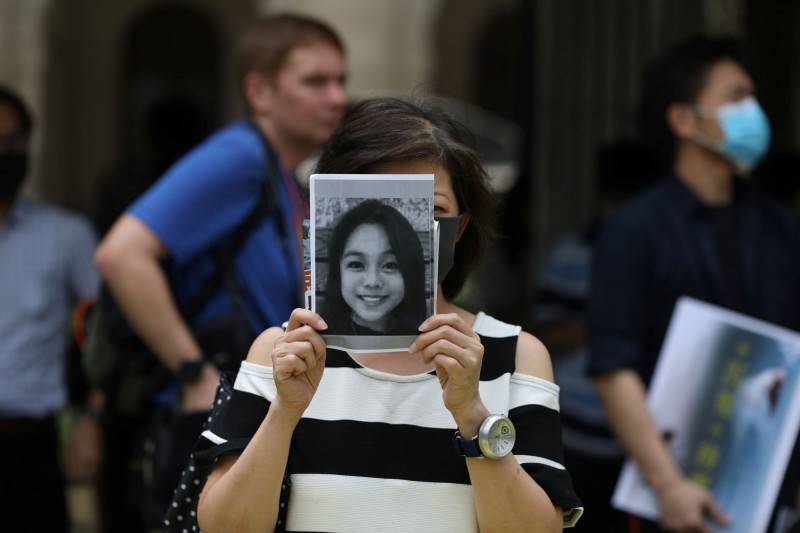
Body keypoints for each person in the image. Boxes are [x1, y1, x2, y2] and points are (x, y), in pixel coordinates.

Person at [193, 97, 583, 532]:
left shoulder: (515, 356)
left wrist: (473, 414)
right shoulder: (283, 352)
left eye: (431, 211)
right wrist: (285, 413)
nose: (398, 233)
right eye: (381, 204)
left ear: (461, 230)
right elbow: (225, 526)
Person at [92, 13, 346, 530]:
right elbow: (122, 253)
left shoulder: (278, 170)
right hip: (209, 413)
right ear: (259, 91)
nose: (336, 97)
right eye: (315, 81)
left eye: (340, 80)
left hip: (247, 408)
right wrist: (193, 373)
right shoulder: (239, 156)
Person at [587, 35, 800, 532]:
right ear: (683, 119)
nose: (752, 111)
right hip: (676, 498)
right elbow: (612, 366)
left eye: (753, 97)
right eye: (735, 96)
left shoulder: (780, 227)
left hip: (776, 489)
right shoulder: (633, 231)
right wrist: (668, 486)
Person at [0, 85, 100, 531]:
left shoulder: (65, 236)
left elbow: (105, 332)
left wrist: (92, 419)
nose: (6, 154)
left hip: (30, 445)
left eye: (15, 142)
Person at [322, 198, 427, 335]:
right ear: (337, 272)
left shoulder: (429, 339)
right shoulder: (314, 341)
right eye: (356, 264)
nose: (372, 282)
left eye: (390, 265)